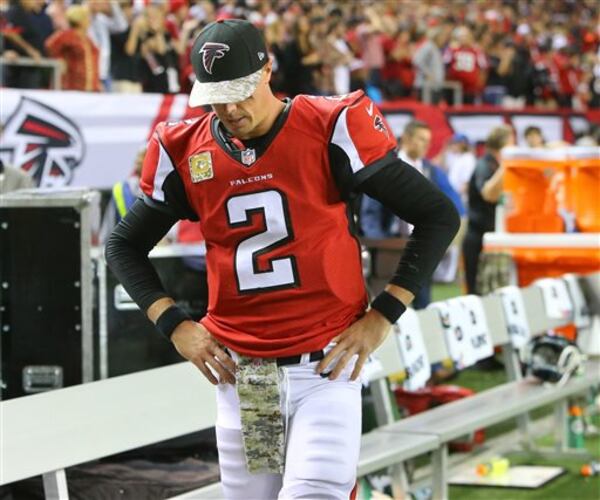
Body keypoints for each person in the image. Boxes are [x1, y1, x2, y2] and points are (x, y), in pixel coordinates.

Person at [105, 19, 459, 500]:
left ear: (268, 70)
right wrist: (175, 324)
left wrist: (385, 313)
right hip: (246, 377)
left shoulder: (329, 126)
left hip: (325, 369)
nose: (229, 108)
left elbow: (437, 215)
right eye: (215, 95)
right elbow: (122, 245)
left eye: (240, 91)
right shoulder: (186, 150)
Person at [361, 121, 464, 308]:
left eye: (428, 141)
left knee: (423, 302)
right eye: (420, 139)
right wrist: (379, 243)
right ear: (407, 138)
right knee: (385, 305)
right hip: (390, 246)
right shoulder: (386, 165)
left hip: (420, 245)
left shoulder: (431, 170)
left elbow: (451, 204)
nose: (425, 145)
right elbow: (371, 211)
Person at [462, 125, 515, 295]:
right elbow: (488, 193)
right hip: (479, 238)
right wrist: (508, 163)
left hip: (488, 237)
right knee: (477, 294)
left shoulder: (493, 165)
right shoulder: (484, 165)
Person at [45, 4, 101, 92]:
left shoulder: (87, 39)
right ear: (79, 20)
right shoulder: (67, 35)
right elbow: (50, 45)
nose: (89, 20)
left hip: (91, 86)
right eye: (86, 17)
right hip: (72, 85)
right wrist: (59, 59)